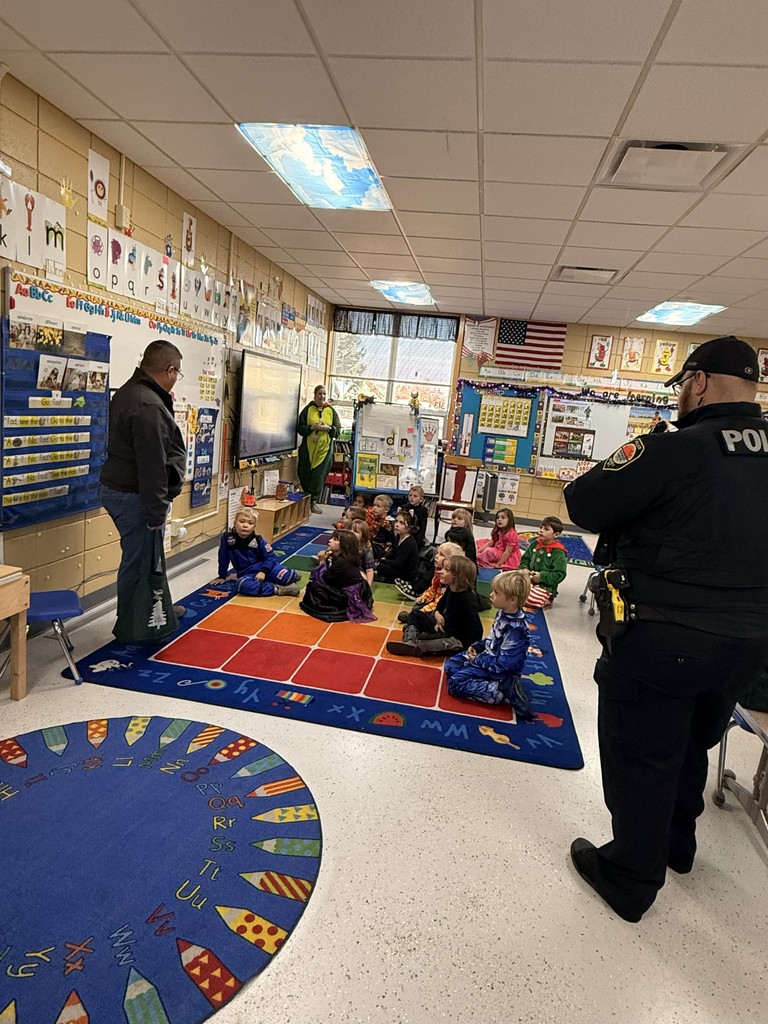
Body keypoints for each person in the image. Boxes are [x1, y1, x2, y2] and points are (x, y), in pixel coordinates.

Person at [563, 335, 768, 923]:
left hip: (664, 639)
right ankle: (678, 847)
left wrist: (643, 450)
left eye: (682, 385)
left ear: (698, 382)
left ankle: (630, 875)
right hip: (748, 645)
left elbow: (584, 503)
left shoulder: (681, 448)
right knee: (690, 744)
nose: (681, 396)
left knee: (641, 755)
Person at [99, 339, 187, 634]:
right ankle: (132, 625)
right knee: (139, 559)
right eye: (178, 374)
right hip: (133, 493)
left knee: (146, 556)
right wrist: (156, 512)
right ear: (170, 370)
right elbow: (152, 465)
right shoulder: (148, 403)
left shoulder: (132, 391)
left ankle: (152, 606)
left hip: (125, 488)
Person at [444, 569, 535, 720]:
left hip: (501, 671)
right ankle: (487, 682)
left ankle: (501, 688)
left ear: (512, 599)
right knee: (451, 666)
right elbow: (493, 639)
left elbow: (504, 664)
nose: (491, 595)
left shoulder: (515, 630)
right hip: (488, 658)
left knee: (454, 685)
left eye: (496, 593)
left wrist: (477, 660)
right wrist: (478, 646)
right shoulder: (503, 613)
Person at [387, 554, 483, 657]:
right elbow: (441, 603)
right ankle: (410, 640)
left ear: (458, 576)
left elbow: (477, 629)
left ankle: (417, 641)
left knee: (428, 644)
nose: (440, 572)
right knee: (415, 614)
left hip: (455, 638)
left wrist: (471, 647)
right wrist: (437, 613)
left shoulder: (467, 599)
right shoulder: (451, 589)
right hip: (443, 627)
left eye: (446, 570)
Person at [214, 508, 301, 596]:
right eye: (242, 521)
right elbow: (223, 557)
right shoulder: (227, 539)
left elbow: (270, 557)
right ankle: (277, 589)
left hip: (266, 568)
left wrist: (263, 571)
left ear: (254, 526)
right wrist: (222, 575)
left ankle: (289, 573)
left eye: (250, 523)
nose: (245, 525)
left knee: (288, 577)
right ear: (235, 523)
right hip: (248, 573)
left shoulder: (259, 540)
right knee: (241, 585)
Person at [300, 528, 375, 622]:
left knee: (313, 587)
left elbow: (324, 579)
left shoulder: (342, 562)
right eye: (332, 538)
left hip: (350, 594)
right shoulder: (345, 556)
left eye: (335, 539)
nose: (330, 540)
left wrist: (322, 561)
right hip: (353, 587)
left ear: (345, 545)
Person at [297, 384, 341, 514]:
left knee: (319, 475)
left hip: (324, 450)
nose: (322, 396)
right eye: (319, 394)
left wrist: (329, 429)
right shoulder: (308, 410)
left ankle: (313, 502)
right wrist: (312, 427)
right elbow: (300, 428)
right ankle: (305, 501)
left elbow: (337, 431)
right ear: (315, 395)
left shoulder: (331, 411)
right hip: (308, 449)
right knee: (304, 473)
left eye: (324, 394)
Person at [396, 541, 463, 624]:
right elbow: (432, 589)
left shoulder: (448, 581)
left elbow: (440, 602)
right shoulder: (438, 572)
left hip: (441, 610)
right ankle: (414, 618)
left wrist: (425, 610)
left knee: (426, 614)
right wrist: (423, 598)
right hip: (433, 603)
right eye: (437, 553)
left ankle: (414, 619)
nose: (436, 556)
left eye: (441, 555)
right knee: (417, 606)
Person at [518, 516, 567, 608]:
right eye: (541, 528)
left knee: (531, 598)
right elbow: (525, 559)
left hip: (545, 587)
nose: (541, 530)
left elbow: (560, 574)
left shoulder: (558, 552)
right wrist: (524, 569)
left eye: (546, 529)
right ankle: (523, 593)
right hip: (527, 580)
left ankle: (545, 599)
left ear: (556, 535)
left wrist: (542, 577)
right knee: (508, 585)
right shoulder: (534, 544)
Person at [375, 510, 420, 585]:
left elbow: (399, 563)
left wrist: (383, 561)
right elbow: (394, 551)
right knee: (379, 563)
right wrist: (385, 557)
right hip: (399, 567)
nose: (397, 525)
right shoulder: (398, 537)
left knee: (380, 566)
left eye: (401, 523)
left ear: (409, 527)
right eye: (396, 521)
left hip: (406, 573)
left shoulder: (409, 543)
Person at [350, 519, 375, 585]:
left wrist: (368, 586)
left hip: (357, 572)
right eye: (351, 530)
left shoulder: (366, 549)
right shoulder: (343, 544)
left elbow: (369, 570)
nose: (352, 533)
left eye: (356, 532)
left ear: (362, 537)